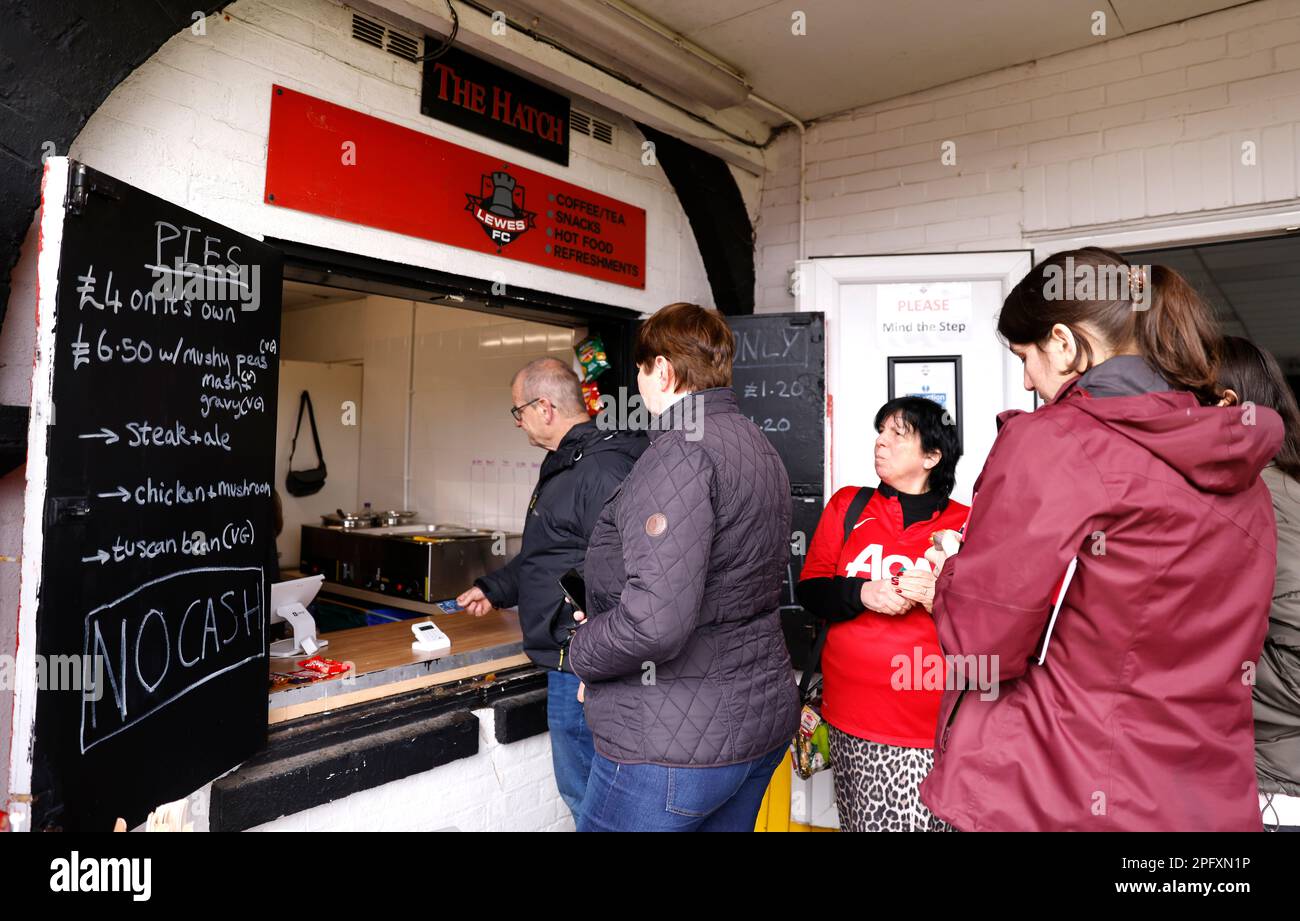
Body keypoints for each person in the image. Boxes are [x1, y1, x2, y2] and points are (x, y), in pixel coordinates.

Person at [919, 247, 1284, 831]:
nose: (1027, 379)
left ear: (1064, 342)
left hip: (1056, 794)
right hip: (1202, 807)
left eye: (1026, 356)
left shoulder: (1057, 443)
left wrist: (951, 572)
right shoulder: (1244, 476)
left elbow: (982, 642)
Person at [566, 302, 801, 832]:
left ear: (664, 371)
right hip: (754, 722)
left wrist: (583, 651)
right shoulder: (757, 445)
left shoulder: (679, 452)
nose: (639, 383)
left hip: (672, 741)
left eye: (641, 370)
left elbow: (655, 623)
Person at [456, 356, 644, 824]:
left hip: (581, 661)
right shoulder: (568, 464)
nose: (518, 423)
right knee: (588, 795)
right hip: (571, 656)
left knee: (591, 799)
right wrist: (494, 587)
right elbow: (550, 554)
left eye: (517, 411)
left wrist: (594, 653)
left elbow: (627, 571)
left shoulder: (599, 470)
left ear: (543, 407)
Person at [795, 396, 966, 831]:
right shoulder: (849, 506)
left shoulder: (968, 523)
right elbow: (812, 590)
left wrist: (936, 596)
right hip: (848, 720)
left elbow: (993, 619)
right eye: (880, 431)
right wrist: (862, 592)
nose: (881, 442)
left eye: (897, 434)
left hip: (928, 726)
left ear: (932, 455)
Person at [1217, 336, 1300, 832]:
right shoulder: (1269, 487)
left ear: (1224, 405)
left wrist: (1200, 673)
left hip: (1275, 794)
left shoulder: (1264, 498)